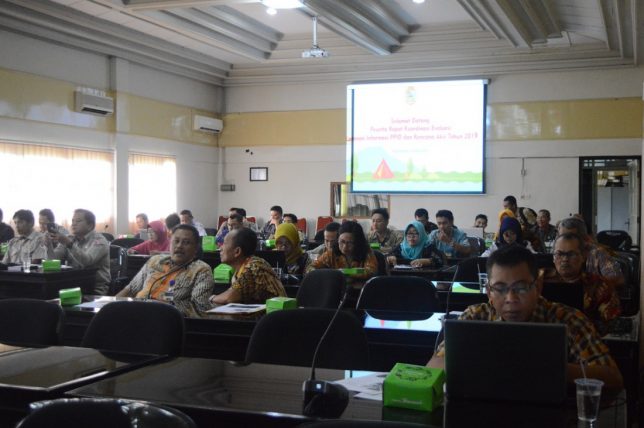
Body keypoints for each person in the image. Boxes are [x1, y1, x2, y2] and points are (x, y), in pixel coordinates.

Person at [427, 246, 623, 393]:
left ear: (538, 287)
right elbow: (433, 368)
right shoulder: (474, 316)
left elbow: (612, 377)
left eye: (520, 288)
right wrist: (488, 364)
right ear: (489, 292)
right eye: (500, 289)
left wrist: (547, 368)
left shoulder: (568, 319)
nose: (510, 298)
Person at [117, 224, 213, 310]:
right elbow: (130, 289)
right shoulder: (155, 261)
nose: (179, 246)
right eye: (176, 241)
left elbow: (199, 307)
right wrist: (112, 305)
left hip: (167, 318)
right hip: (136, 311)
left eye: (186, 242)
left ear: (195, 249)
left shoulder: (201, 270)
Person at [544, 233, 621, 335]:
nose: (565, 259)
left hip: (586, 340)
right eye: (559, 254)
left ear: (583, 256)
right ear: (553, 258)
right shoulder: (541, 280)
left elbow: (612, 324)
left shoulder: (599, 285)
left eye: (571, 254)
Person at [210, 228, 286, 305]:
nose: (220, 248)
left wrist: (211, 298)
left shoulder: (254, 267)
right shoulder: (242, 268)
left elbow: (229, 298)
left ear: (237, 251)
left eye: (224, 244)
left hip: (275, 312)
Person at [51, 209, 110, 295]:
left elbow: (87, 261)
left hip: (94, 288)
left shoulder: (99, 240)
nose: (73, 224)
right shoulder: (70, 238)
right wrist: (48, 245)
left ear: (90, 225)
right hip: (72, 285)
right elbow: (53, 260)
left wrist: (69, 244)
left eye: (78, 221)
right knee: (46, 295)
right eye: (72, 221)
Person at [557, 217, 624, 287]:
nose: (563, 241)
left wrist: (591, 285)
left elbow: (618, 279)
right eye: (560, 236)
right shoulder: (556, 254)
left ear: (584, 238)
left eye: (568, 237)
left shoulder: (598, 253)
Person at [308, 221, 378, 286]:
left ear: (357, 242)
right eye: (342, 242)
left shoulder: (366, 251)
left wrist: (346, 272)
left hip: (360, 290)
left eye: (350, 243)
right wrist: (326, 274)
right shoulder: (331, 253)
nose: (345, 247)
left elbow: (370, 270)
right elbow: (311, 268)